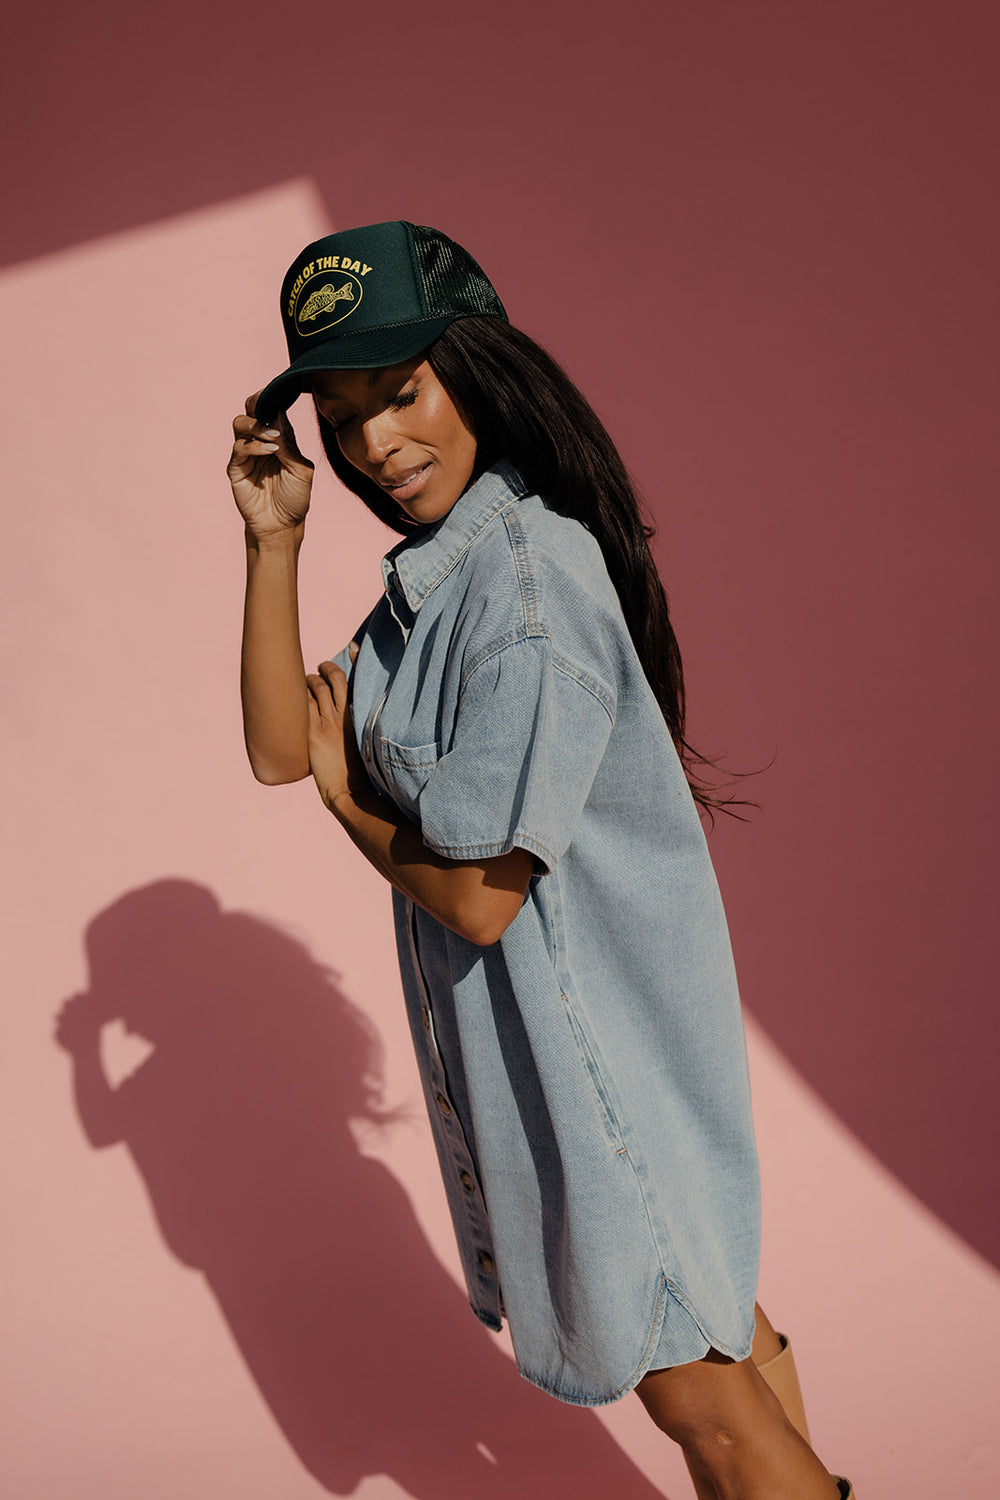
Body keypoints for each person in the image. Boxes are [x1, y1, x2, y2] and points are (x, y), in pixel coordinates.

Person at [227, 220, 855, 1500]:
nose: (375, 444)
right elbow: (282, 748)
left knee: (707, 1411)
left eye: (401, 393)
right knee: (727, 1355)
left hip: (600, 1067)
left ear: (476, 369)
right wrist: (273, 543)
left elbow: (477, 897)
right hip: (586, 1058)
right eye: (342, 418)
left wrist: (351, 805)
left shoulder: (521, 586)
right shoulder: (436, 586)